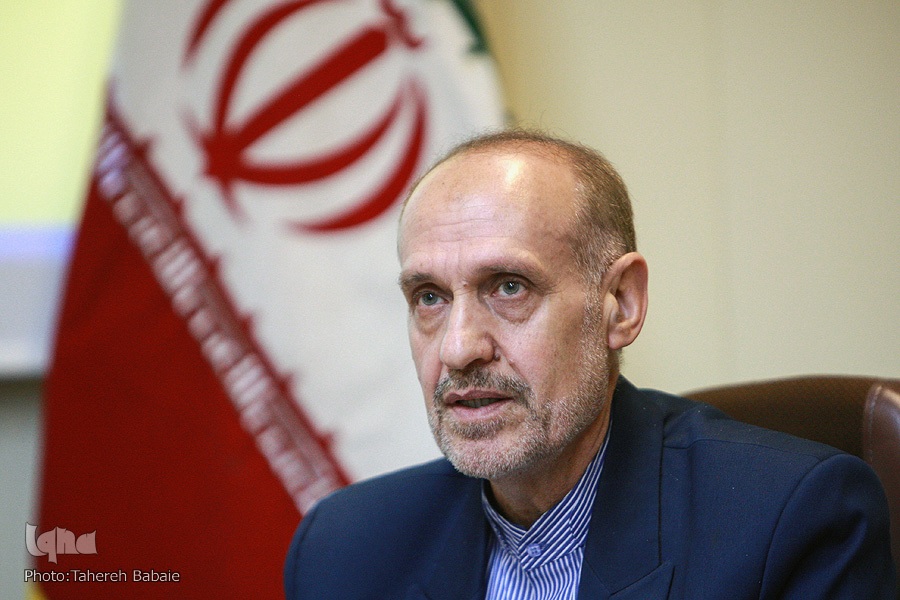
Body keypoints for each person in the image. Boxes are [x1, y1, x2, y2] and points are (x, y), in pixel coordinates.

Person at [284, 130, 895, 599]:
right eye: (429, 298)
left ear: (620, 304)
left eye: (509, 287)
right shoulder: (344, 551)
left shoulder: (792, 523)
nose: (458, 347)